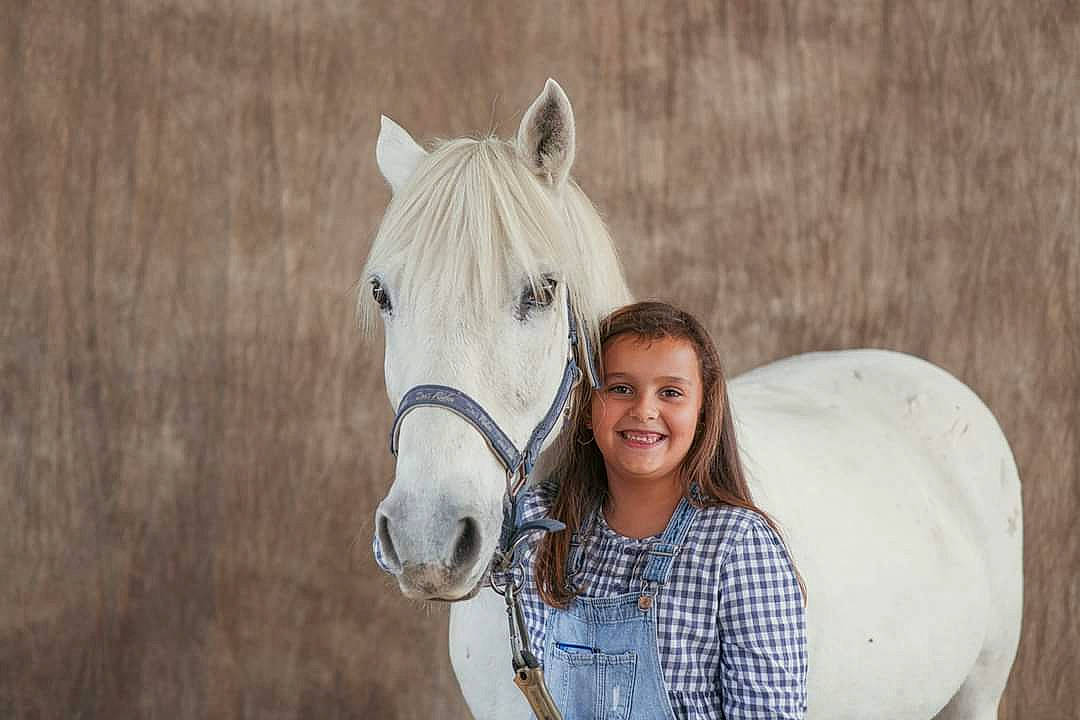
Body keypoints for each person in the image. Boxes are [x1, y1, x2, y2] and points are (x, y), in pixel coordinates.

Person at [514, 301, 807, 719]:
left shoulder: (736, 545)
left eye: (670, 392)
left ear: (704, 412)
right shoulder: (541, 525)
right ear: (584, 406)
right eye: (620, 388)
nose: (644, 410)